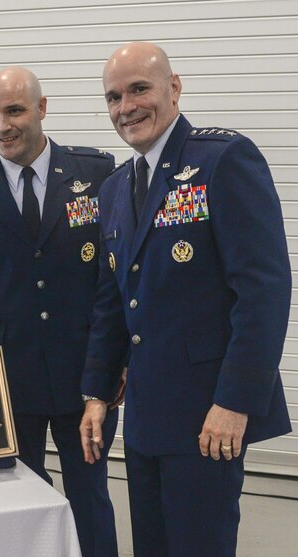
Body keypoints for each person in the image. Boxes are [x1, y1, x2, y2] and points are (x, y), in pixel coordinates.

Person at [79, 42, 292, 556]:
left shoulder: (221, 160)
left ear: (173, 88)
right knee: (151, 546)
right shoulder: (111, 190)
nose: (125, 107)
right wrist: (96, 393)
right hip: (148, 416)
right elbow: (113, 301)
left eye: (139, 89)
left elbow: (263, 290)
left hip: (208, 416)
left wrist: (235, 402)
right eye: (113, 97)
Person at [0, 66, 120, 557]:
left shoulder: (96, 174)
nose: (2, 126)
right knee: (17, 504)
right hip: (7, 385)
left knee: (89, 497)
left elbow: (113, 281)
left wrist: (112, 367)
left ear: (42, 108)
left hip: (84, 380)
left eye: (14, 110)